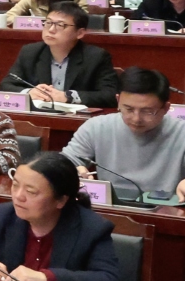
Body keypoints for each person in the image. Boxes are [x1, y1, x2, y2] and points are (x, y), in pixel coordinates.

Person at [0, 152, 122, 281]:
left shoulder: (91, 227)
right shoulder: (1, 215)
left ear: (61, 200)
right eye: (15, 185)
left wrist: (45, 278)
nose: (18, 196)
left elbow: (109, 280)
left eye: (31, 192)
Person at [64, 68, 185, 198]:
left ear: (166, 108)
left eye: (147, 111)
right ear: (118, 101)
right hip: (109, 207)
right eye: (129, 109)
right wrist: (73, 171)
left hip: (165, 208)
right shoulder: (96, 127)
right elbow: (62, 164)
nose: (136, 118)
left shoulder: (181, 132)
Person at [1, 2, 118, 109]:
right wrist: (28, 93)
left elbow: (110, 95)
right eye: (48, 23)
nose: (51, 29)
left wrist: (68, 97)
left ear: (80, 33)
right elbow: (4, 86)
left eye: (60, 25)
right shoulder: (30, 52)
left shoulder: (96, 56)